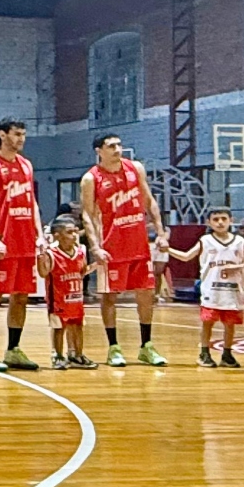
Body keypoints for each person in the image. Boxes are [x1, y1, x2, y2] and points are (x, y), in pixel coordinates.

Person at [77, 132, 169, 368]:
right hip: (111, 248)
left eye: (119, 145)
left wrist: (160, 232)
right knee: (109, 297)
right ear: (99, 150)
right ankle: (113, 348)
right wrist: (95, 246)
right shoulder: (91, 178)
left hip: (139, 244)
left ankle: (146, 346)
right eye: (111, 146)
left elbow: (149, 200)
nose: (117, 149)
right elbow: (87, 214)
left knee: (146, 294)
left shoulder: (135, 168)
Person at [0, 117, 42, 373]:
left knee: (21, 296)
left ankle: (13, 349)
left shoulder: (26, 165)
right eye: (17, 134)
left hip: (25, 241)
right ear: (3, 135)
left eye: (23, 134)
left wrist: (39, 234)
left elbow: (32, 202)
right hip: (1, 240)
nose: (22, 139)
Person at [168, 208, 244, 367]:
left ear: (231, 220)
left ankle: (227, 354)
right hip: (211, 289)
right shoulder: (205, 240)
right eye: (216, 219)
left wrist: (238, 269)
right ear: (208, 222)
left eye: (224, 219)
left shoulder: (240, 241)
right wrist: (167, 250)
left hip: (232, 289)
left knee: (230, 324)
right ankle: (204, 353)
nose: (220, 222)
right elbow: (186, 256)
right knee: (208, 323)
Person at [40, 216, 93, 370]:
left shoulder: (80, 252)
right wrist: (39, 257)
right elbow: (43, 273)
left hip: (76, 298)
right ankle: (57, 355)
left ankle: (77, 355)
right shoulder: (51, 253)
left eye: (76, 231)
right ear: (57, 235)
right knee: (59, 328)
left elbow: (82, 271)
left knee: (78, 326)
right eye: (70, 232)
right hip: (58, 299)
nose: (74, 235)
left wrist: (97, 265)